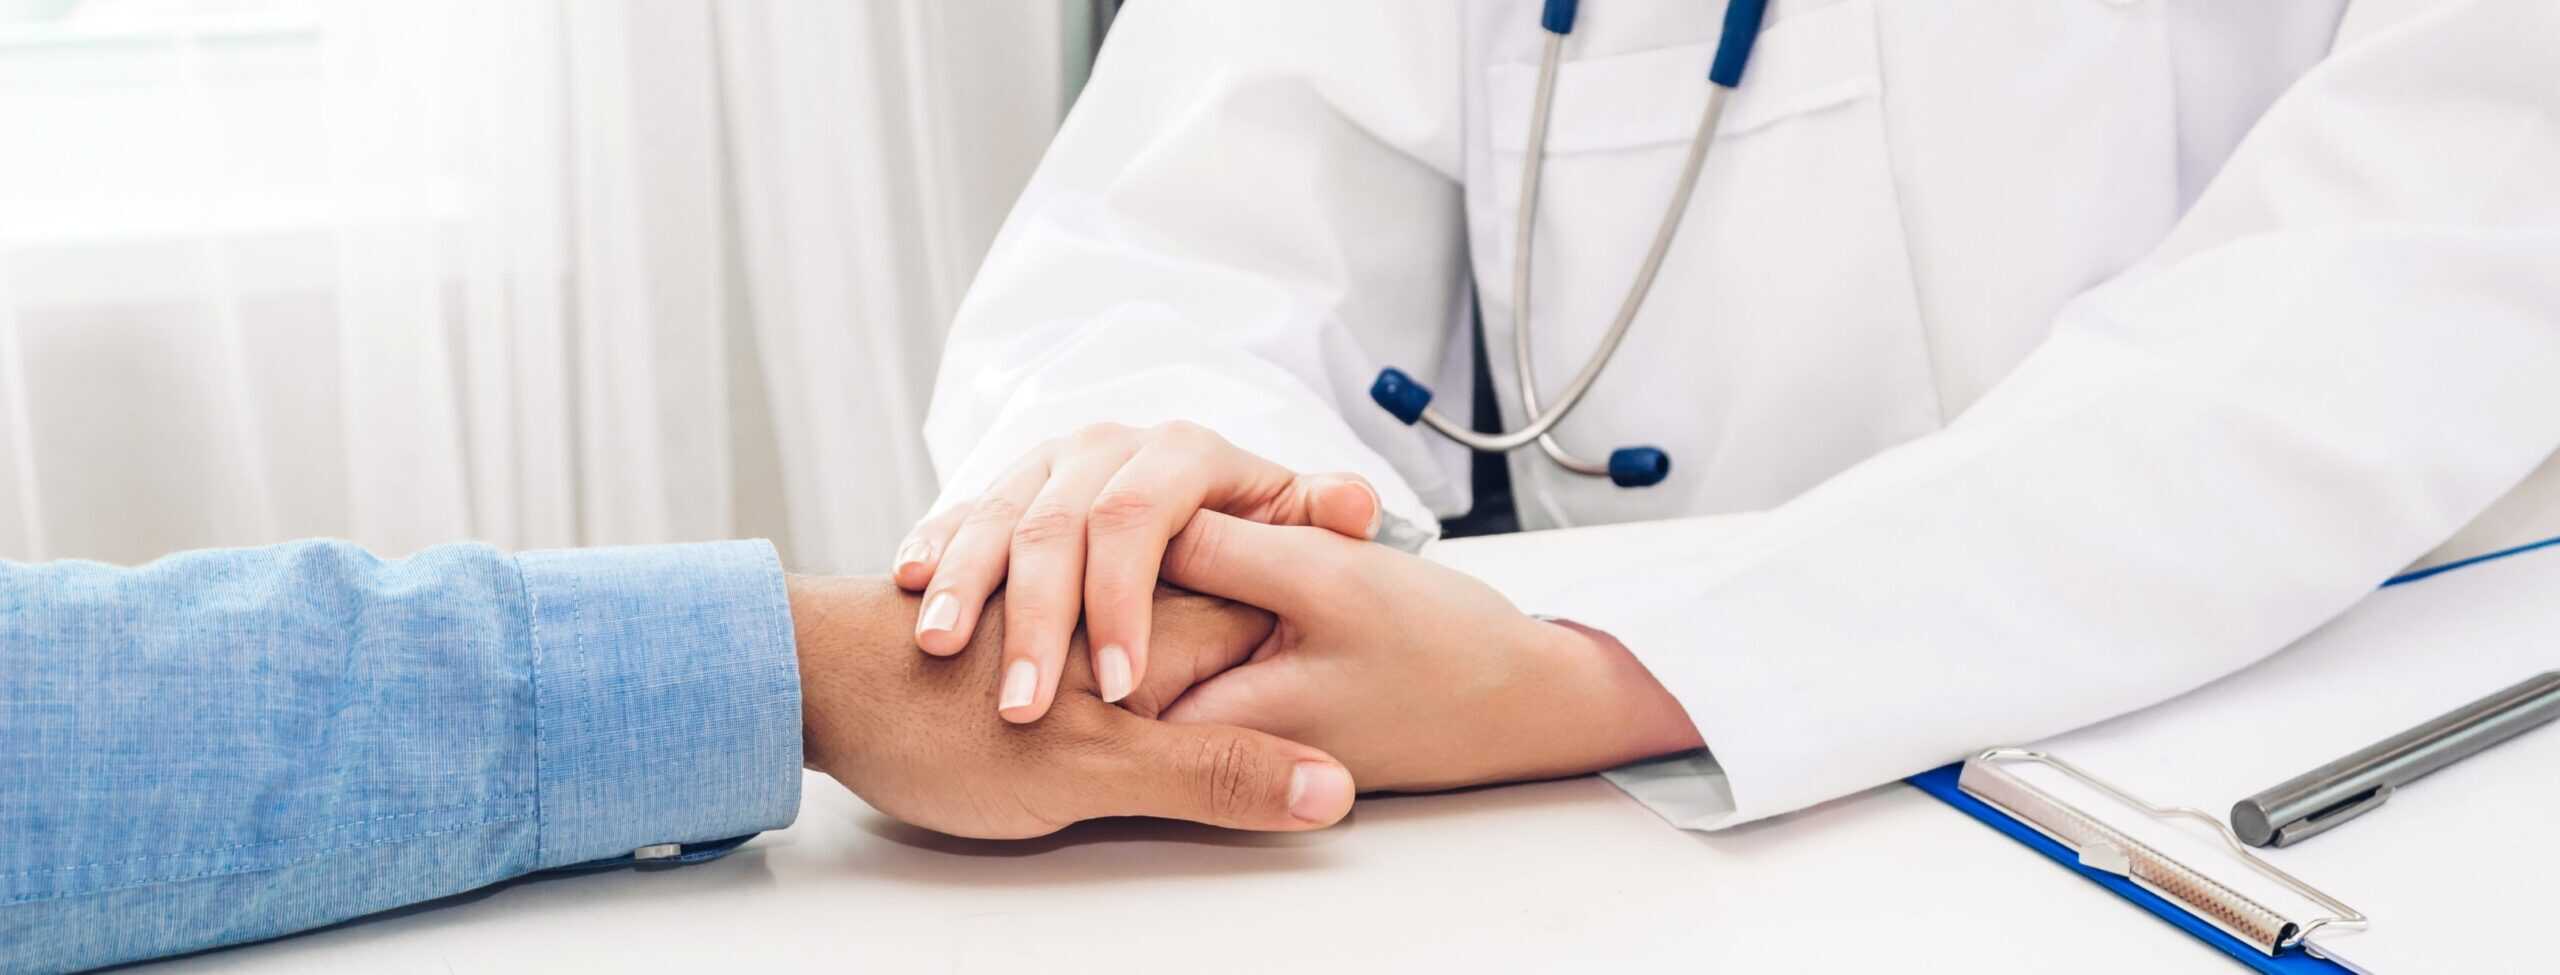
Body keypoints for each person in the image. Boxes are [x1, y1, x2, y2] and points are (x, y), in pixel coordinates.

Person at [905, 0, 2560, 828]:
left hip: (2343, 775)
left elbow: (2414, 274)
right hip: (1659, 846)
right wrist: (1170, 504)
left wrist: (1618, 670)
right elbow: (1161, 244)